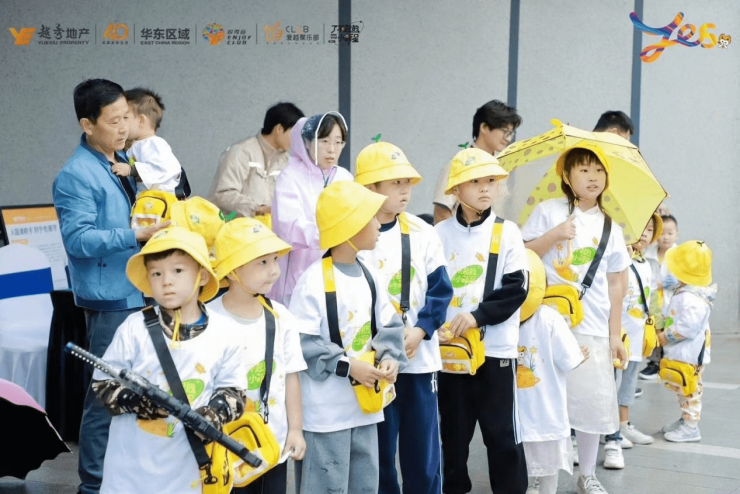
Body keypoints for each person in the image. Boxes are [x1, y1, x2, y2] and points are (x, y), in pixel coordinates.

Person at [52, 78, 169, 494]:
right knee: (106, 394)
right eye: (114, 120)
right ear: (87, 124)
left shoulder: (124, 159)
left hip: (140, 290)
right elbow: (78, 240)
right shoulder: (75, 174)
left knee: (142, 389)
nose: (124, 128)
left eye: (126, 118)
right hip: (110, 299)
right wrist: (136, 235)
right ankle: (93, 485)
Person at [91, 226, 247, 492]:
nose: (166, 281)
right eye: (156, 273)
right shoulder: (133, 328)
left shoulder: (225, 332)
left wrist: (212, 415)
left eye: (178, 270)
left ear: (201, 275)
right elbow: (103, 385)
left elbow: (234, 392)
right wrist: (140, 401)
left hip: (191, 473)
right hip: (130, 475)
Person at [522, 143, 630, 494]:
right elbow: (522, 255)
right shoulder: (548, 211)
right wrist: (554, 235)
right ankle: (540, 474)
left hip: (593, 326)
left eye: (598, 170)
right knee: (543, 401)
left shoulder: (611, 227)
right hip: (546, 324)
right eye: (583, 170)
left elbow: (616, 284)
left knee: (590, 405)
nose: (593, 177)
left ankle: (587, 475)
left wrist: (615, 335)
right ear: (566, 176)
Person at [289, 180, 406, 494]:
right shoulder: (313, 280)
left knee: (365, 487)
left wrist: (390, 357)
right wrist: (350, 366)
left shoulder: (370, 274)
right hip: (325, 416)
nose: (379, 223)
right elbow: (302, 342)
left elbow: (390, 326)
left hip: (365, 410)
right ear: (349, 226)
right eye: (371, 217)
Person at [354, 141, 453, 494]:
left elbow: (441, 290)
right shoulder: (353, 234)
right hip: (374, 365)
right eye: (395, 182)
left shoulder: (423, 232)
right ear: (370, 187)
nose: (405, 190)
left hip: (419, 360)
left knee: (422, 455)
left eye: (408, 182)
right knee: (378, 456)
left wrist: (422, 330)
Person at [435, 148, 529, 493]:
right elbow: (427, 288)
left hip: (496, 351)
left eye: (491, 180)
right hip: (450, 352)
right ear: (455, 190)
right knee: (453, 436)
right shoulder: (438, 233)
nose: (485, 188)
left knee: (502, 435)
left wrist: (476, 316)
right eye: (475, 181)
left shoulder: (508, 232)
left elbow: (517, 288)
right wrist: (433, 325)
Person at [208, 217, 307, 493]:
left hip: (272, 444)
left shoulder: (281, 317)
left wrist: (295, 430)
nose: (273, 270)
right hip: (223, 445)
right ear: (232, 270)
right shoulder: (209, 319)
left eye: (274, 260)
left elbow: (291, 377)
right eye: (262, 262)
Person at [518, 250, 587, 494]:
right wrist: (580, 354)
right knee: (549, 469)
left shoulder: (499, 318)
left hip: (513, 417)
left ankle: (529, 485)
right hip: (547, 413)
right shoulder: (550, 317)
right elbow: (570, 359)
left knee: (517, 467)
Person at [270, 112, 353, 306]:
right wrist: (332, 234)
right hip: (298, 272)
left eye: (338, 142)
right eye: (324, 141)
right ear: (306, 142)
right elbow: (289, 227)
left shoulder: (344, 177)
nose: (332, 149)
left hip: (339, 268)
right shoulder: (290, 177)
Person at [602, 213, 663, 470]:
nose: (645, 233)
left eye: (650, 230)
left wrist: (658, 325)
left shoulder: (647, 263)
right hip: (620, 333)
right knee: (612, 382)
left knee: (628, 382)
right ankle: (610, 429)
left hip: (638, 334)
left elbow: (653, 298)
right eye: (641, 227)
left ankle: (623, 424)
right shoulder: (620, 259)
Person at [659, 240, 715, 443]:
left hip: (691, 354)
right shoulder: (686, 291)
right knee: (682, 387)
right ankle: (685, 420)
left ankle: (691, 427)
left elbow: (687, 328)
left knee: (690, 389)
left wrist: (666, 335)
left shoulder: (693, 299)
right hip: (683, 352)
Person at [209, 102, 305, 220]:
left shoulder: (286, 162)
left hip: (265, 229)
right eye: (294, 133)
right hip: (232, 227)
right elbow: (224, 194)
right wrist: (257, 210)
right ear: (279, 129)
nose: (297, 139)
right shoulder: (241, 152)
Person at [432, 100, 522, 224]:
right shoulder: (460, 163)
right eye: (504, 131)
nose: (508, 138)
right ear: (484, 127)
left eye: (511, 133)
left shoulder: (500, 166)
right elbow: (441, 212)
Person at [110, 88, 182, 194]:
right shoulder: (136, 145)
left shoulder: (155, 144)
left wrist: (131, 170)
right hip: (147, 197)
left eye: (125, 117)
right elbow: (133, 162)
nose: (121, 123)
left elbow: (163, 168)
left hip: (162, 197)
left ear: (141, 120)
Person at [641, 214, 680, 380]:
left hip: (672, 301)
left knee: (669, 330)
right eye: (662, 233)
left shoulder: (679, 255)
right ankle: (654, 363)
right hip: (653, 301)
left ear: (677, 234)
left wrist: (675, 282)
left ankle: (669, 363)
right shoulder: (647, 253)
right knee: (653, 329)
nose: (666, 237)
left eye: (670, 233)